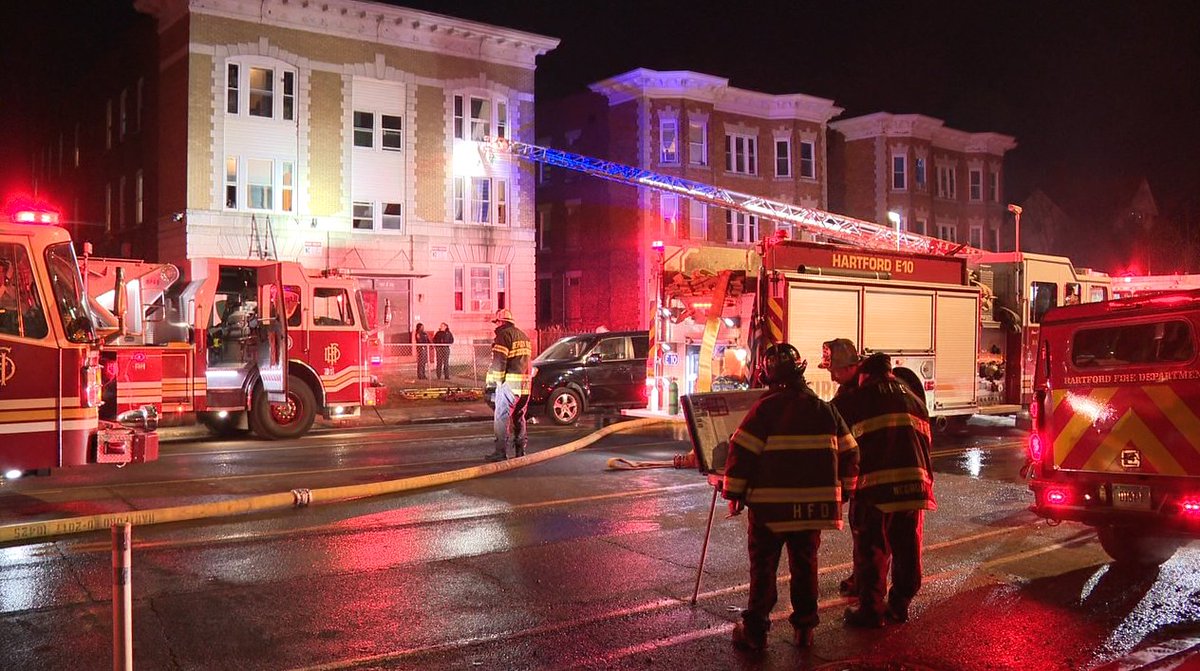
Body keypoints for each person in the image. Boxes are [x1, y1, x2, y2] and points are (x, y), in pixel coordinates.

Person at [723, 343, 859, 651]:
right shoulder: (825, 409)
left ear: (768, 375)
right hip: (811, 511)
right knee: (804, 566)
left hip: (769, 512)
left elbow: (741, 451)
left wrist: (734, 493)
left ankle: (755, 631)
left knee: (763, 568)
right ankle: (805, 629)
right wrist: (845, 491)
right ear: (801, 371)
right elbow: (851, 451)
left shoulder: (764, 409)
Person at [839, 352, 936, 629]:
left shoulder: (856, 397)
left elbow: (834, 435)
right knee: (906, 545)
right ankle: (900, 604)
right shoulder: (914, 398)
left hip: (875, 487)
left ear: (864, 375)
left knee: (872, 549)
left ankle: (870, 611)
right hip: (915, 485)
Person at [819, 337, 863, 599]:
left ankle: (865, 585)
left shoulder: (854, 395)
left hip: (867, 474)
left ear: (848, 367)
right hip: (863, 470)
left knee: (867, 534)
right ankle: (862, 578)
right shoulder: (854, 389)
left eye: (834, 371)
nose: (833, 377)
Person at [484, 308, 532, 462]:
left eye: (496, 322)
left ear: (502, 322)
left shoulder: (503, 336)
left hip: (509, 384)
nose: (495, 326)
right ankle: (520, 450)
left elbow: (499, 361)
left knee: (501, 417)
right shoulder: (523, 336)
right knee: (519, 417)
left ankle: (500, 452)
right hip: (525, 385)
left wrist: (495, 382)